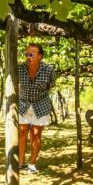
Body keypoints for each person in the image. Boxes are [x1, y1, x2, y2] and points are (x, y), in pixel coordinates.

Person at [17, 43, 56, 174]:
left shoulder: (49, 69)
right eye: (26, 54)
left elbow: (51, 85)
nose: (28, 56)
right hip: (23, 104)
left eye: (31, 54)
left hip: (41, 104)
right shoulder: (19, 69)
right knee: (22, 132)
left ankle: (32, 163)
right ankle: (21, 162)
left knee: (36, 134)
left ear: (40, 56)